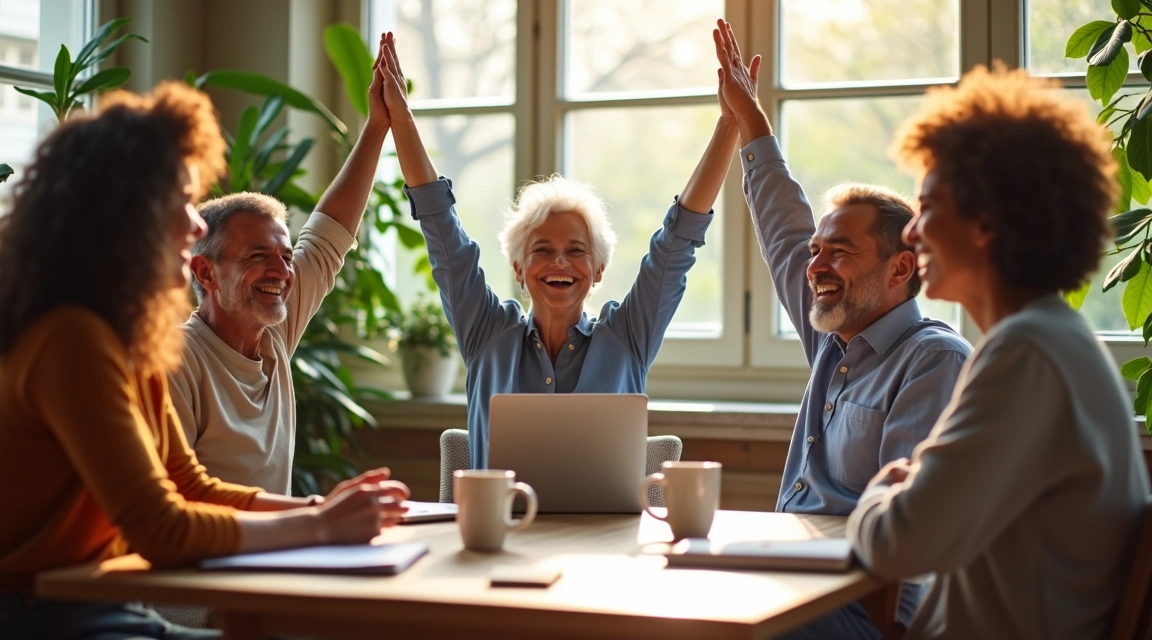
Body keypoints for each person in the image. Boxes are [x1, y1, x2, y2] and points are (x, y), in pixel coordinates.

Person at [0, 81, 408, 640]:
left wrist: (319, 508)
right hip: (39, 614)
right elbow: (160, 527)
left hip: (98, 602)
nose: (196, 227)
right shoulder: (70, 338)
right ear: (125, 216)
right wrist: (317, 525)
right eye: (184, 203)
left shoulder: (130, 341)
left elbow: (189, 486)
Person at [843, 65, 1152, 638]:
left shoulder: (1026, 353)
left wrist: (881, 489)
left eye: (928, 207)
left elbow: (899, 546)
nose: (912, 233)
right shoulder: (1055, 339)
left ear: (984, 222)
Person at [712, 19, 970, 636]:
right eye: (816, 251)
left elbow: (901, 533)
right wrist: (753, 125)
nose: (815, 265)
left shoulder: (934, 361)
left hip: (865, 608)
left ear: (901, 267)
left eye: (839, 252)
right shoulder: (834, 341)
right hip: (793, 581)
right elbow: (783, 233)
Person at [376, 31, 739, 469]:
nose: (560, 262)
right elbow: (441, 232)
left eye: (576, 250)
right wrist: (400, 118)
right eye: (542, 249)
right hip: (502, 534)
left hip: (604, 537)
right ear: (518, 266)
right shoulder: (486, 333)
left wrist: (731, 124)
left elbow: (677, 244)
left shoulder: (626, 338)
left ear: (599, 269)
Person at [166, 58, 391, 495]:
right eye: (258, 255)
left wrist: (377, 127)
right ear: (206, 272)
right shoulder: (177, 360)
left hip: (279, 552)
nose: (283, 271)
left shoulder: (272, 334)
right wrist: (316, 515)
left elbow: (331, 233)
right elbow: (182, 503)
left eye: (286, 257)